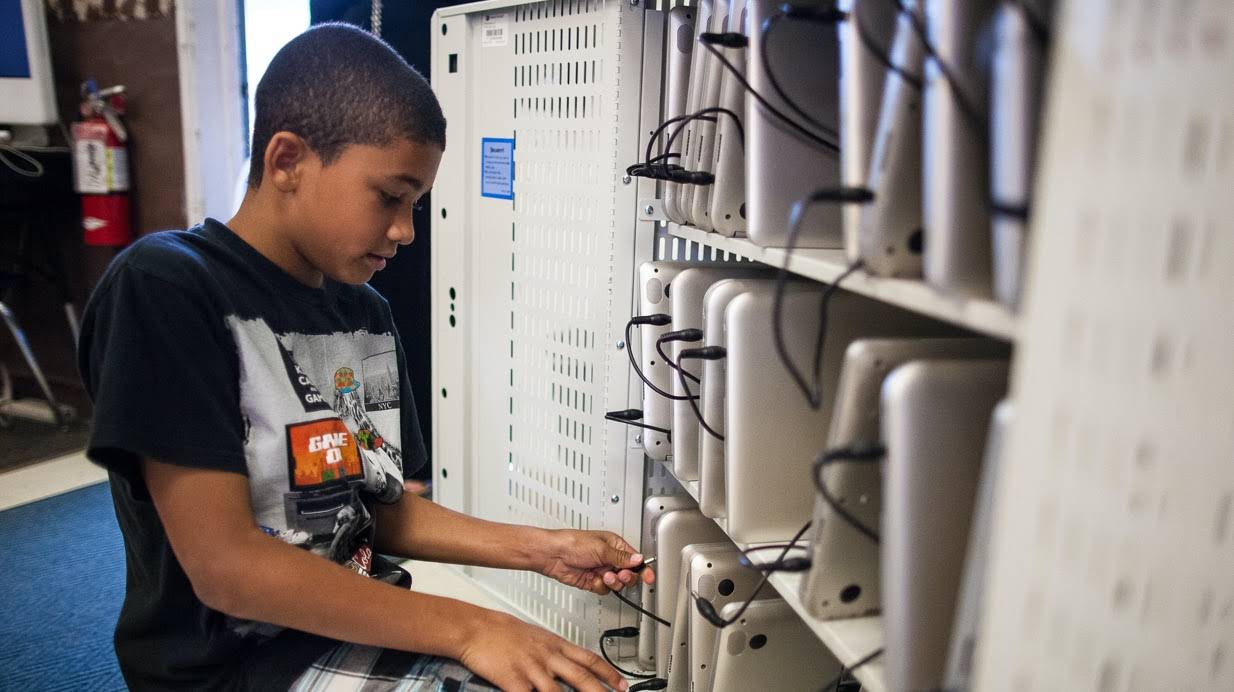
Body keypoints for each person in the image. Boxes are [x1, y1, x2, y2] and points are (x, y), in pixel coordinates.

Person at [78, 24, 653, 692]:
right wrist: (472, 626)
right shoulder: (165, 286)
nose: (406, 230)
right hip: (231, 667)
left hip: (356, 625)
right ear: (287, 160)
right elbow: (227, 570)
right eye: (389, 196)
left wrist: (541, 549)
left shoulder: (366, 312)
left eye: (415, 205)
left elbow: (374, 509)